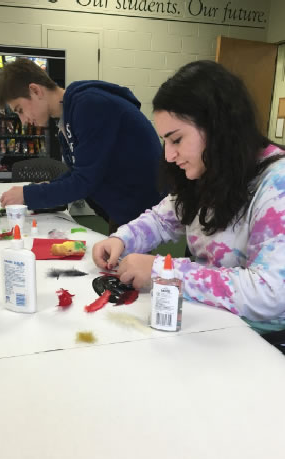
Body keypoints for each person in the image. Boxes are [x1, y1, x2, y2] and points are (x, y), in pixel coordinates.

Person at [92, 60, 285, 346]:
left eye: (177, 140)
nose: (169, 155)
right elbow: (161, 219)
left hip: (261, 343)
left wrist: (161, 271)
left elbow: (270, 294)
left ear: (217, 128)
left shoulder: (276, 183)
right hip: (210, 323)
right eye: (165, 142)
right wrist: (122, 239)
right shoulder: (208, 171)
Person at [0, 58, 163, 234]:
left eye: (20, 110)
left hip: (137, 205)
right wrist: (40, 189)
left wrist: (28, 195)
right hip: (124, 203)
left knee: (124, 260)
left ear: (35, 90)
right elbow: (79, 169)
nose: (23, 121)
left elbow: (83, 181)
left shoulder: (89, 106)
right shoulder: (67, 117)